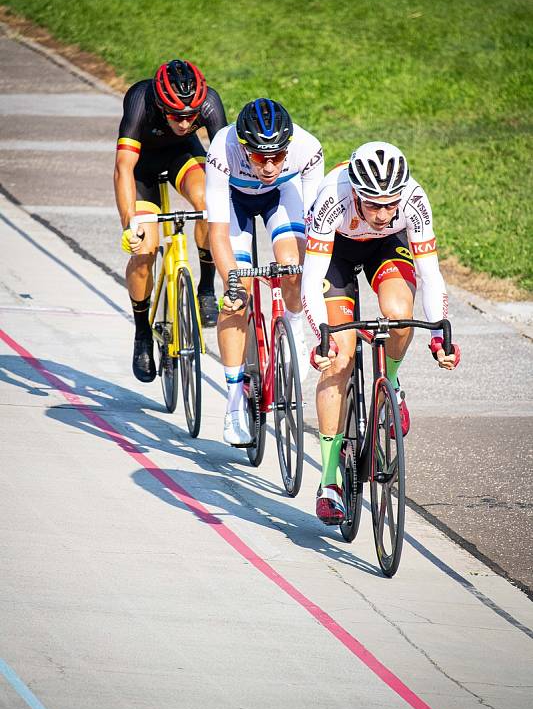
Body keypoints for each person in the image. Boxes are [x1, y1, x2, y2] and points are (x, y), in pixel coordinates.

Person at [301, 141, 461, 525]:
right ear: (356, 192)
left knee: (399, 315)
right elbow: (310, 283)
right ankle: (328, 482)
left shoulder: (414, 201)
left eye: (391, 204)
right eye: (373, 204)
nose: (384, 213)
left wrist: (440, 334)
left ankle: (391, 384)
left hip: (386, 250)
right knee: (339, 356)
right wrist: (320, 334)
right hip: (335, 254)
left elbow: (430, 275)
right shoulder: (332, 198)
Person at [206, 97, 324, 445]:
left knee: (293, 265)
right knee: (236, 296)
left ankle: (295, 329)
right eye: (259, 157)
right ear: (244, 148)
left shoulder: (308, 148)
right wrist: (231, 285)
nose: (270, 165)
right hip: (234, 201)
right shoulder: (222, 148)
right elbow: (216, 233)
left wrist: (311, 275)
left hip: (279, 198)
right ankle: (234, 404)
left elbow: (317, 224)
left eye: (277, 156)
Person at [114, 59, 227, 383]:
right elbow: (123, 168)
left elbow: (224, 164)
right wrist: (129, 224)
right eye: (177, 116)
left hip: (181, 156)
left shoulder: (209, 103)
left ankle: (206, 286)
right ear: (161, 106)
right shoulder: (140, 100)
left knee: (210, 202)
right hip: (141, 170)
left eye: (191, 116)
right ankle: (142, 334)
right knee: (144, 250)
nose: (185, 121)